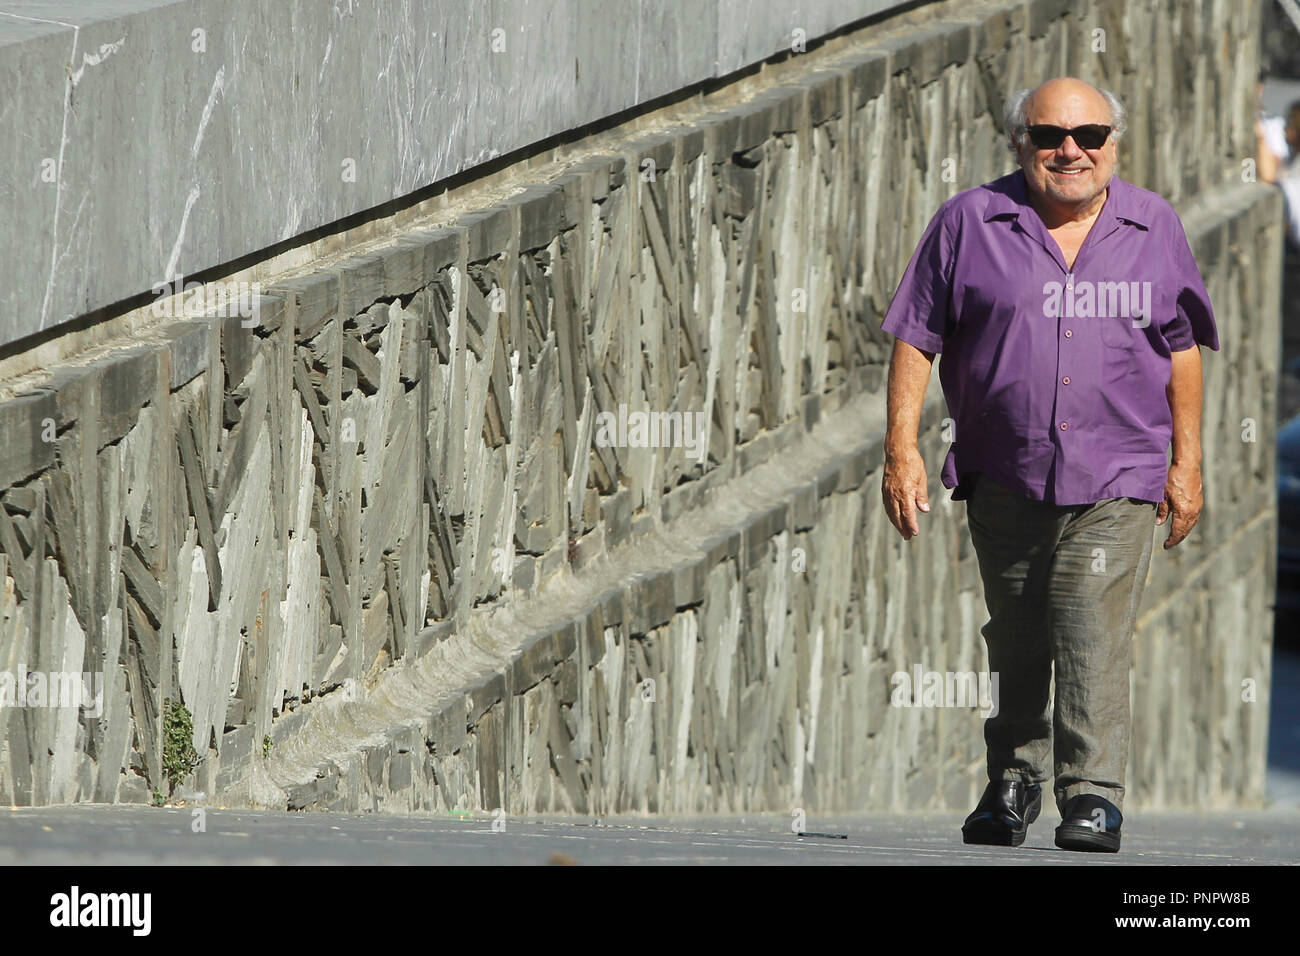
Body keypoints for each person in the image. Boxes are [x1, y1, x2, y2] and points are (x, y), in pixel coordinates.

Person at [879, 77, 1218, 853]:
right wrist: (901, 450)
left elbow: (1181, 348)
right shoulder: (971, 221)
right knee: (1019, 635)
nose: (1072, 150)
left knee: (1088, 623)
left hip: (1118, 476)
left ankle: (1091, 795)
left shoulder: (1151, 225)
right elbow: (915, 336)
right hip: (1006, 472)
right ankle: (1014, 780)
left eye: (1091, 134)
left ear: (1114, 144)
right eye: (1050, 136)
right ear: (1019, 144)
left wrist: (1186, 464)